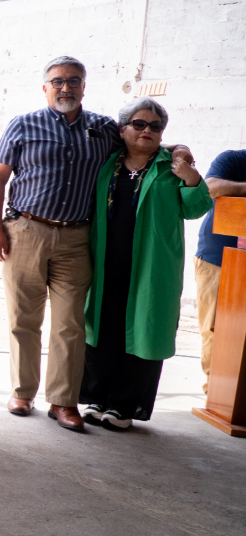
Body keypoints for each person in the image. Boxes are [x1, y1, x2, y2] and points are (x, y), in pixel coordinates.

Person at [0, 55, 192, 432]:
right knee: (23, 319)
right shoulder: (22, 124)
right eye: (58, 81)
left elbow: (142, 138)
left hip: (76, 238)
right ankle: (22, 391)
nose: (66, 87)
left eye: (74, 81)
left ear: (84, 87)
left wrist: (179, 151)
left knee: (71, 323)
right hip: (26, 231)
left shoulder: (103, 128)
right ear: (45, 87)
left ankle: (63, 401)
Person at [80, 98, 210, 429]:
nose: (146, 131)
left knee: (143, 333)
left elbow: (196, 209)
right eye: (138, 124)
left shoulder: (172, 167)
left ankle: (124, 406)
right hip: (106, 263)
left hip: (152, 267)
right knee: (104, 329)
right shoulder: (107, 163)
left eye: (155, 126)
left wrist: (192, 180)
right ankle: (97, 398)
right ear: (123, 129)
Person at [193, 148, 246, 393]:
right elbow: (210, 187)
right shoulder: (233, 159)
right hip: (217, 258)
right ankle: (216, 394)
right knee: (215, 329)